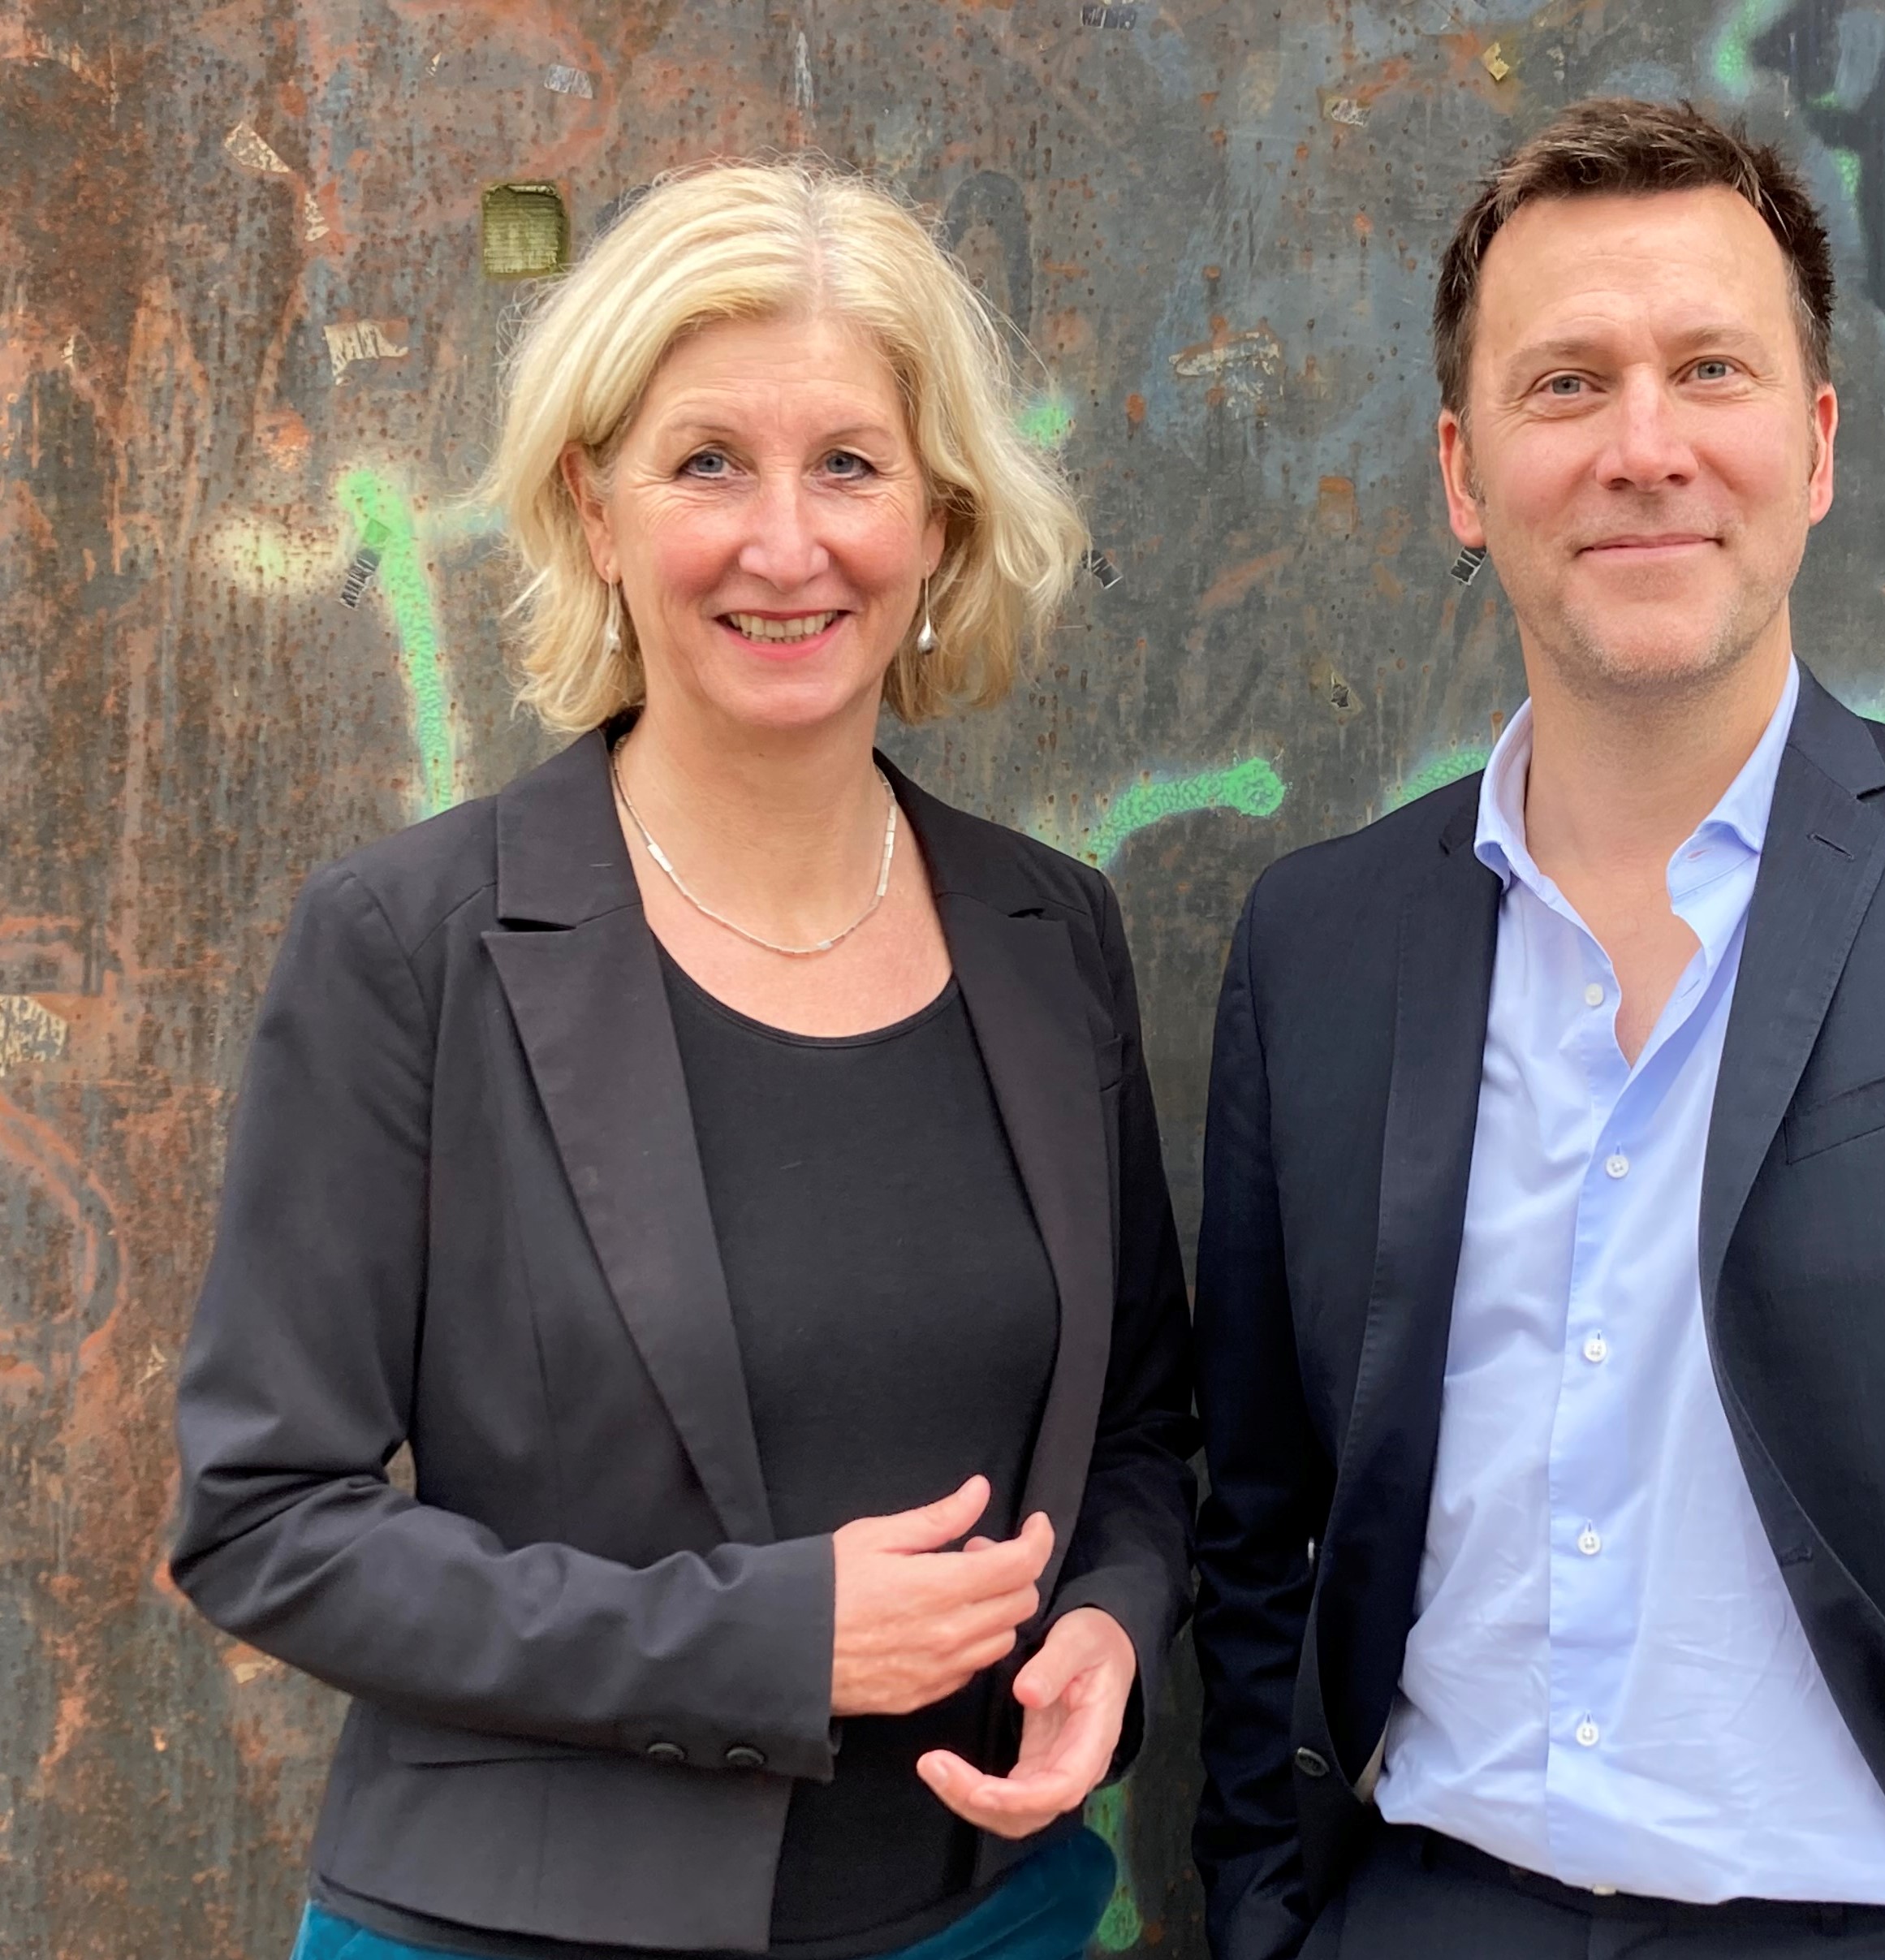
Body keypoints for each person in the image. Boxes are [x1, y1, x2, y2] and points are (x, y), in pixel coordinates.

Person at [1190, 97, 1885, 1960]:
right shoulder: (1318, 944)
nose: (1643, 447)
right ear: (1462, 471)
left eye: (1708, 369)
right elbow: (1254, 1527)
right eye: (1564, 385)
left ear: (1815, 443)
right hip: (1421, 1910)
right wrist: (1265, 1915)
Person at [174, 161, 1195, 1960]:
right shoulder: (412, 944)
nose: (784, 544)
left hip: (993, 1919)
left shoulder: (1051, 934)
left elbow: (1138, 1431)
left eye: (850, 465)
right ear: (594, 506)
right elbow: (267, 1520)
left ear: (939, 522)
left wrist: (1110, 1619)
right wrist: (764, 1642)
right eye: (707, 461)